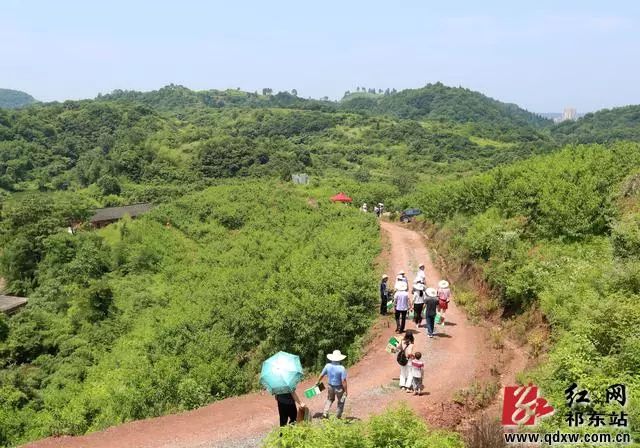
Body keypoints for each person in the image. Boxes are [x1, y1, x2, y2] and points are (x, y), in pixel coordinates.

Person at [317, 350, 348, 419]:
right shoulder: (342, 368)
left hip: (330, 386)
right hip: (339, 388)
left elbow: (321, 375)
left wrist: (317, 382)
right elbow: (343, 381)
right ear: (339, 359)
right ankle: (337, 417)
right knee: (341, 402)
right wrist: (346, 391)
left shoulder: (327, 366)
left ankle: (325, 413)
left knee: (330, 399)